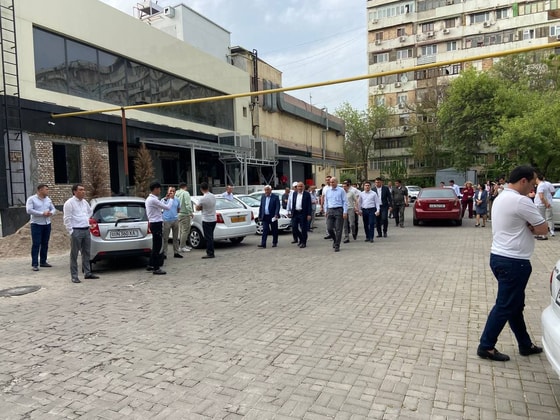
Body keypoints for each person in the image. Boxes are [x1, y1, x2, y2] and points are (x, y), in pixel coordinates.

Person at [477, 165, 548, 362]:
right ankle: (486, 346)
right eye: (532, 184)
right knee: (505, 305)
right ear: (523, 181)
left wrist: (529, 225)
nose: (533, 188)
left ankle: (525, 344)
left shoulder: (501, 197)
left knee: (514, 305)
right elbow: (543, 228)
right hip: (514, 262)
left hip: (499, 256)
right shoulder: (520, 201)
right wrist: (532, 227)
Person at [63, 184, 99, 283]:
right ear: (74, 191)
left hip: (86, 229)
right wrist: (71, 231)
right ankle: (74, 276)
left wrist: (86, 220)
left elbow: (90, 212)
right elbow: (67, 218)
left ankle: (87, 272)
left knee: (86, 252)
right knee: (74, 254)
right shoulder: (69, 203)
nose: (83, 192)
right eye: (80, 190)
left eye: (84, 190)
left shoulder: (84, 202)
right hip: (76, 230)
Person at [145, 182, 175, 275]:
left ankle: (150, 264)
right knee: (157, 246)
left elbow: (160, 205)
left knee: (155, 245)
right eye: (159, 189)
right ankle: (156, 268)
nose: (160, 191)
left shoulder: (151, 199)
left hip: (154, 223)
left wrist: (166, 198)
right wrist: (171, 199)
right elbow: (167, 207)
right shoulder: (152, 200)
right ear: (155, 189)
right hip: (156, 224)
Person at [26, 184, 57, 271]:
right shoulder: (32, 199)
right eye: (46, 189)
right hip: (36, 224)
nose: (48, 191)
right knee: (36, 244)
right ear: (40, 190)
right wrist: (42, 213)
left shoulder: (48, 199)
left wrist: (51, 213)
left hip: (47, 223)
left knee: (45, 243)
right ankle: (35, 264)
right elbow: (29, 210)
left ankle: (43, 261)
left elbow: (53, 209)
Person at [323, 177, 348, 252]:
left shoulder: (341, 190)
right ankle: (335, 239)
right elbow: (326, 201)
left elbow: (345, 202)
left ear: (336, 182)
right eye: (330, 182)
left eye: (333, 182)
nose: (331, 183)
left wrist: (345, 212)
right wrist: (325, 211)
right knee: (329, 228)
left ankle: (337, 245)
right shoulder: (327, 191)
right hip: (330, 210)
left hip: (339, 210)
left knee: (338, 229)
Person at [288, 182, 312, 248]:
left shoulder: (307, 194)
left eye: (301, 186)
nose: (300, 188)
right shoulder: (294, 194)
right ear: (296, 187)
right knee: (294, 227)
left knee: (303, 228)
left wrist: (309, 214)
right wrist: (291, 212)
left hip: (303, 213)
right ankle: (301, 238)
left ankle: (304, 242)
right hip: (295, 213)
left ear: (303, 187)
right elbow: (293, 203)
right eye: (298, 186)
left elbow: (309, 205)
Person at [196, 182, 217, 259]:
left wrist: (201, 208)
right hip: (213, 219)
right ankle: (211, 251)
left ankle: (210, 252)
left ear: (201, 189)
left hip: (206, 219)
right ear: (208, 188)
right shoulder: (213, 196)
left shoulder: (202, 198)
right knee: (211, 236)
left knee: (208, 237)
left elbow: (197, 208)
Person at [161, 186, 182, 259]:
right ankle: (164, 253)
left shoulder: (177, 200)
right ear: (168, 191)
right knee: (165, 238)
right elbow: (161, 207)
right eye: (170, 191)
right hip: (166, 220)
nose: (172, 192)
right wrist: (166, 198)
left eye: (173, 191)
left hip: (175, 220)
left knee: (175, 238)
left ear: (175, 192)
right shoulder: (164, 199)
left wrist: (176, 215)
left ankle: (176, 252)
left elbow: (178, 209)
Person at [534, 174, 555, 240]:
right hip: (543, 204)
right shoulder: (545, 184)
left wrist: (546, 203)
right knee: (545, 219)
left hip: (540, 204)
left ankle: (543, 235)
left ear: (537, 179)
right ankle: (542, 234)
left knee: (541, 219)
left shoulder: (540, 185)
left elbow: (541, 197)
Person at [175, 182, 193, 253]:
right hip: (185, 214)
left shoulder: (176, 193)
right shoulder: (185, 193)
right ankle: (182, 246)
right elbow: (187, 203)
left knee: (181, 231)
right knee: (185, 231)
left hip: (178, 214)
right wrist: (190, 212)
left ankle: (182, 245)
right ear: (185, 187)